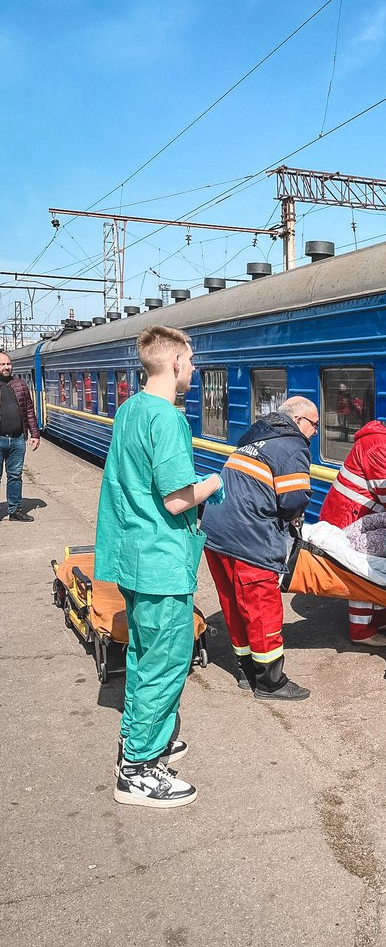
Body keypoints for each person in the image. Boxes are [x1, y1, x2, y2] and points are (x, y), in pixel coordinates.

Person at [95, 325, 224, 809]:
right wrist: (214, 481)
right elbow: (175, 500)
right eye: (191, 360)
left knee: (143, 653)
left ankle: (144, 740)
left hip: (131, 553)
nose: (194, 368)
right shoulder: (168, 420)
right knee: (165, 662)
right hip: (160, 560)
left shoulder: (129, 409)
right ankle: (140, 770)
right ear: (175, 363)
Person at [200, 396, 319, 701]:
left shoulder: (254, 438)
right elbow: (293, 500)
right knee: (262, 608)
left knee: (234, 604)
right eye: (314, 425)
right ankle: (270, 683)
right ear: (299, 421)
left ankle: (246, 671)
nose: (316, 432)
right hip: (250, 539)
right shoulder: (292, 446)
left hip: (215, 534)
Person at [318, 404, 386, 647]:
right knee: (363, 572)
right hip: (350, 517)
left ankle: (380, 617)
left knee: (374, 569)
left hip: (356, 514)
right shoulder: (381, 447)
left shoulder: (382, 438)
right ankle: (361, 631)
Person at [0, 351, 40, 522]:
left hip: (17, 438)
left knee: (15, 475)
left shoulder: (20, 385)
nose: (6, 367)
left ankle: (15, 510)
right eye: (2, 364)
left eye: (8, 364)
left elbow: (29, 411)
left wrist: (35, 434)